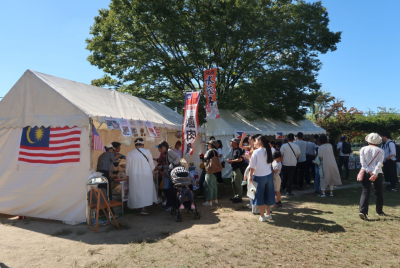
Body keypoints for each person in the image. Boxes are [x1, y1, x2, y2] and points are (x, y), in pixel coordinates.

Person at [125, 138, 157, 215]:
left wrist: (128, 175)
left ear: (135, 145)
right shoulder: (147, 152)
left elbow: (127, 167)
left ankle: (138, 207)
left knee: (136, 191)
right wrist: (153, 173)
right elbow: (152, 165)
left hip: (134, 175)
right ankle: (143, 208)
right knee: (146, 191)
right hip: (146, 174)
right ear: (142, 144)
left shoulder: (130, 154)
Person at [358, 133, 385, 220]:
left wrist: (369, 172)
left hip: (366, 172)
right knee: (378, 191)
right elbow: (379, 164)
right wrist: (374, 174)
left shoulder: (363, 149)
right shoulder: (380, 151)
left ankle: (362, 211)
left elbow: (363, 163)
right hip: (378, 173)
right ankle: (379, 211)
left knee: (365, 191)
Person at [249, 135, 274, 222]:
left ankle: (262, 216)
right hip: (268, 175)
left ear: (259, 141)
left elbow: (252, 166)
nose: (254, 143)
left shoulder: (256, 152)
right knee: (268, 194)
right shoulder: (269, 150)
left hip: (259, 176)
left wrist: (250, 175)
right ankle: (268, 214)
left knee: (259, 196)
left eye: (255, 141)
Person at [156, 141, 182, 211]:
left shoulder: (169, 151)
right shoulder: (167, 153)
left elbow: (178, 158)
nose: (160, 150)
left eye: (160, 148)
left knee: (170, 190)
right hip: (171, 172)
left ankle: (172, 205)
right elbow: (168, 165)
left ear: (164, 147)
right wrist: (161, 166)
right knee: (169, 189)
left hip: (174, 172)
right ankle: (169, 204)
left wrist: (173, 164)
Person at [97, 143, 121, 215]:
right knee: (108, 192)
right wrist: (118, 160)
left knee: (101, 191)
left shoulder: (101, 155)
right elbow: (115, 164)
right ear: (111, 149)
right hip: (105, 173)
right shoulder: (110, 154)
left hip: (98, 174)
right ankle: (110, 210)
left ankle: (101, 211)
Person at [240, 133, 261, 214]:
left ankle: (254, 204)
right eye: (248, 139)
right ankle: (251, 203)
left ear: (254, 140)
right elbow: (241, 146)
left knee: (252, 186)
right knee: (250, 186)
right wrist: (242, 139)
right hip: (250, 167)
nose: (248, 140)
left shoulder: (257, 148)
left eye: (250, 139)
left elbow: (255, 160)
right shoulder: (250, 147)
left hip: (254, 168)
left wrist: (249, 158)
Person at [202, 140, 220, 206]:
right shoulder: (216, 151)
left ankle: (209, 201)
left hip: (210, 170)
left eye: (209, 144)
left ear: (212, 145)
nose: (208, 146)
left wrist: (202, 157)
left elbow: (205, 159)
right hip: (215, 170)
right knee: (214, 185)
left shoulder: (210, 151)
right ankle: (215, 199)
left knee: (209, 186)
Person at [227, 138, 244, 203]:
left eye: (231, 141)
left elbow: (240, 159)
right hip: (234, 168)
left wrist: (232, 161)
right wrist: (231, 160)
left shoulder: (239, 150)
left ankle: (239, 197)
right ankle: (236, 196)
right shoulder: (234, 150)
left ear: (235, 143)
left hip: (238, 169)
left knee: (238, 183)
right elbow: (236, 159)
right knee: (233, 183)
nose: (230, 143)